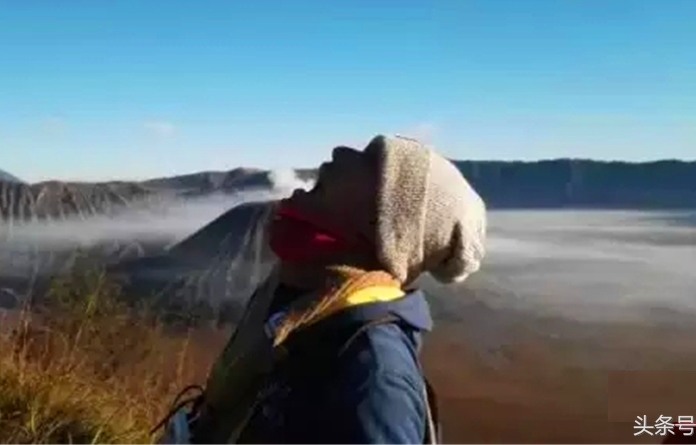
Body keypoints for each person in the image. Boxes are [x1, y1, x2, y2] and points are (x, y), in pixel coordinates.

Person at [157, 134, 488, 444]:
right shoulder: (300, 306)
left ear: (385, 225)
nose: (340, 152)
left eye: (371, 161)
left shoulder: (372, 381)